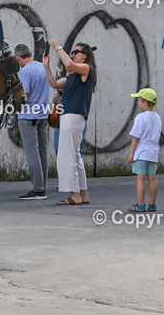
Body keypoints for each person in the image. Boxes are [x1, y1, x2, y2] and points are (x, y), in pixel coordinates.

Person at [43, 39, 95, 206]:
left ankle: (75, 195)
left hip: (72, 116)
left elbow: (70, 65)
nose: (73, 55)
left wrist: (58, 47)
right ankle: (83, 194)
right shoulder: (72, 77)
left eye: (76, 52)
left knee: (68, 156)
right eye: (72, 52)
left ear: (85, 56)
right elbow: (54, 84)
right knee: (75, 156)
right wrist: (46, 66)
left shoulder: (87, 69)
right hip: (71, 117)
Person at [14, 43, 50, 200]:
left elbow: (25, 96)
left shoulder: (25, 72)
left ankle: (38, 189)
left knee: (32, 152)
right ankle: (43, 185)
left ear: (18, 58)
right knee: (43, 151)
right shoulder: (43, 67)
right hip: (43, 115)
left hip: (28, 116)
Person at [127, 88, 161, 212]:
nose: (137, 102)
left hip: (141, 152)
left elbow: (136, 136)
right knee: (152, 178)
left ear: (145, 102)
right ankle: (152, 204)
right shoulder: (157, 118)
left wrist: (131, 152)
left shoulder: (140, 117)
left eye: (139, 100)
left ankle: (141, 204)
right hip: (153, 152)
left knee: (140, 178)